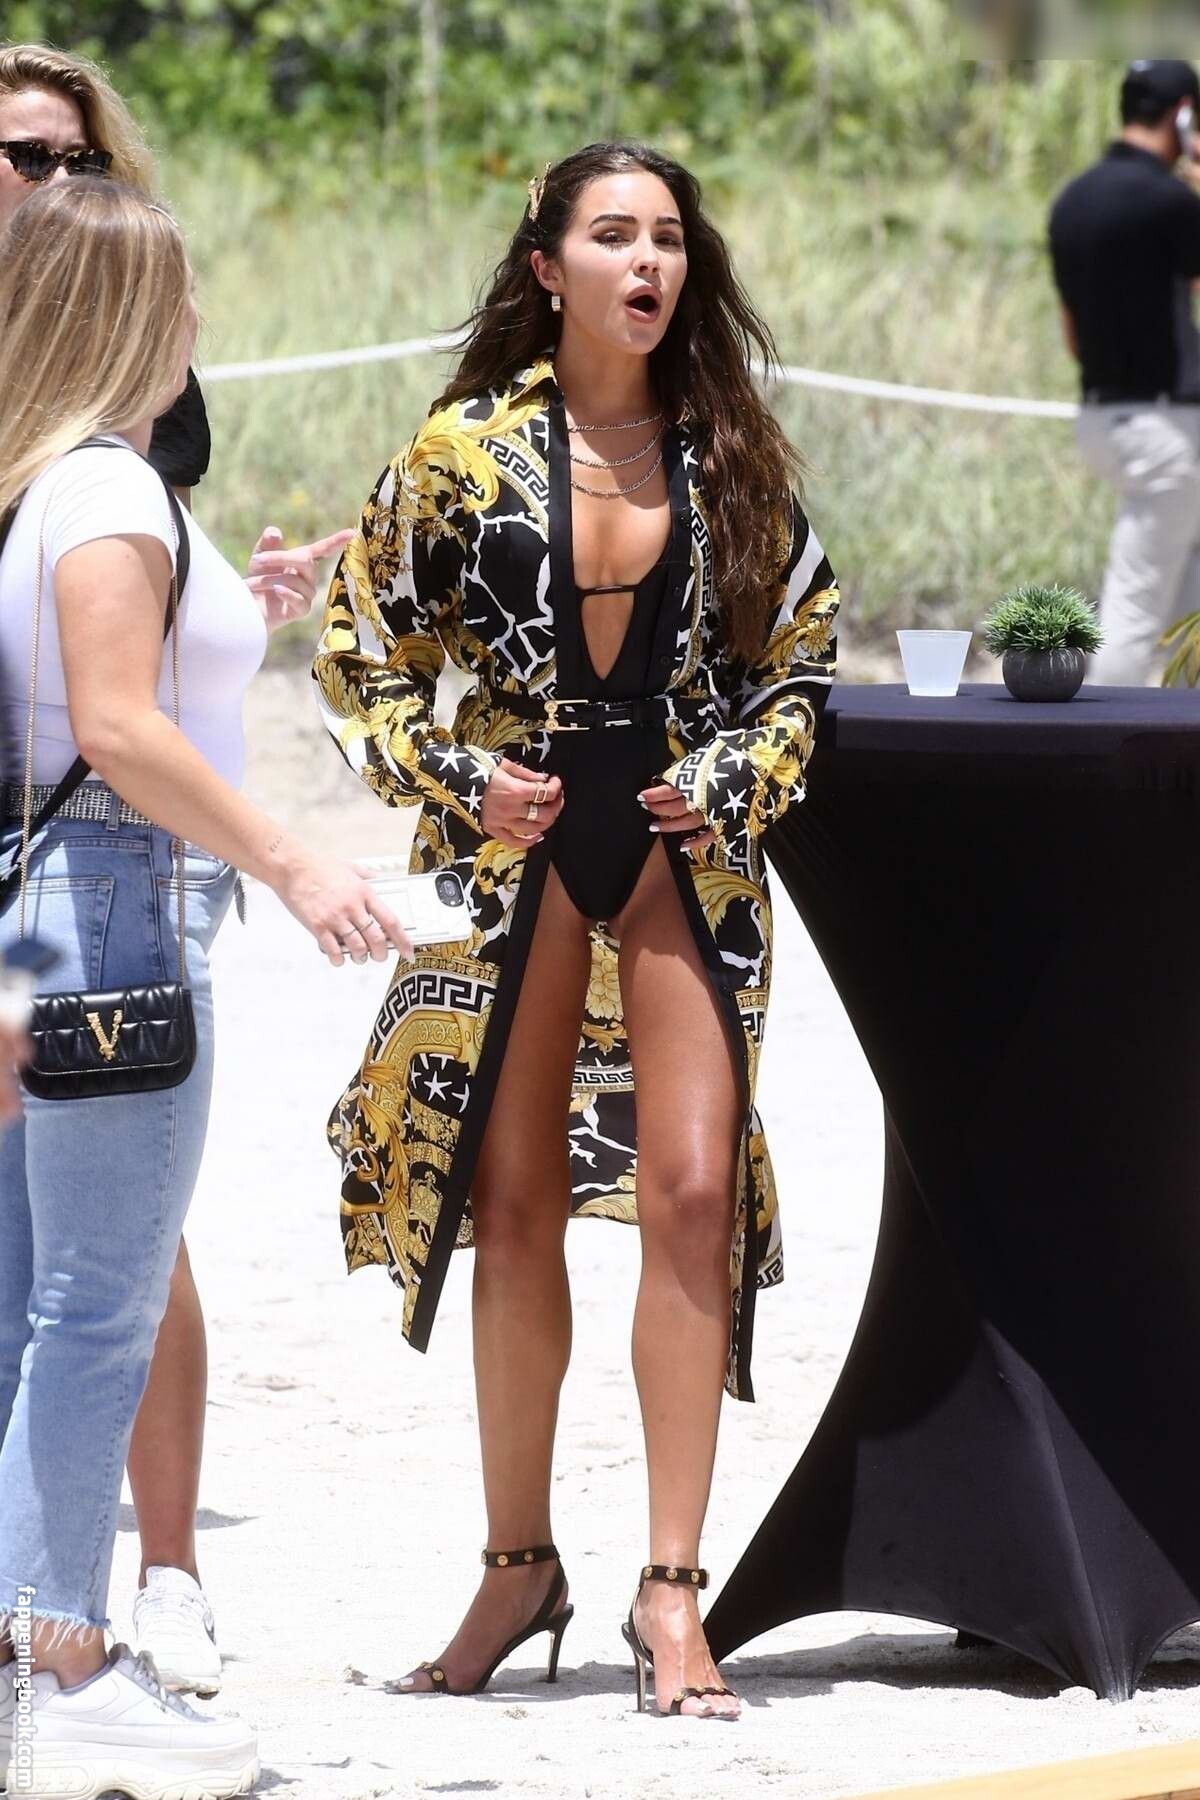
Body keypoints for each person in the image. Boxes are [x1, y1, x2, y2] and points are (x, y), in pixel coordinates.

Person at [314, 141, 838, 1720]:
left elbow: (801, 660)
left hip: (683, 854)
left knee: (693, 1197)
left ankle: (672, 1589)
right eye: (614, 235)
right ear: (549, 266)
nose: (649, 262)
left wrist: (733, 774)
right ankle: (515, 1565)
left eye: (668, 236)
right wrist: (460, 775)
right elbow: (357, 657)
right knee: (514, 1204)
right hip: (512, 856)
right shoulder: (460, 453)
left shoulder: (734, 452)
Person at [0, 177, 412, 1798]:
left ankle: (36, 1655)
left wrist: (241, 601)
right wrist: (298, 863)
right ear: (125, 315)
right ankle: (66, 1666)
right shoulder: (107, 488)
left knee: (38, 1301)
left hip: (47, 914)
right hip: (119, 902)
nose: (199, 324)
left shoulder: (47, 482)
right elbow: (117, 726)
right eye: (179, 296)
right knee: (96, 1303)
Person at [1050, 58, 1200, 685]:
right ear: (1183, 116)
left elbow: (1073, 334)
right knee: (1135, 612)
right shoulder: (1173, 202)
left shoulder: (1071, 202)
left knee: (1189, 596)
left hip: (1104, 418)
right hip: (1166, 431)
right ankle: (1104, 738)